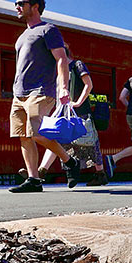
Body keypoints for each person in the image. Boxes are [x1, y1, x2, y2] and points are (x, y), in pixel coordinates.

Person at [9, 0, 80, 193]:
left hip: (40, 90)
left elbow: (61, 59)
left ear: (35, 6)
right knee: (23, 135)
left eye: (21, 3)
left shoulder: (48, 30)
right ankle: (33, 180)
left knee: (37, 132)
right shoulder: (22, 36)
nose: (17, 7)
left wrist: (63, 87)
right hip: (19, 93)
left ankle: (70, 161)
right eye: (16, 3)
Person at [26, 44, 109, 186]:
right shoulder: (57, 71)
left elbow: (88, 84)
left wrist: (78, 102)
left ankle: (100, 173)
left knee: (90, 143)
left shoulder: (77, 65)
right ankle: (41, 172)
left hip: (80, 111)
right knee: (55, 140)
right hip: (62, 112)